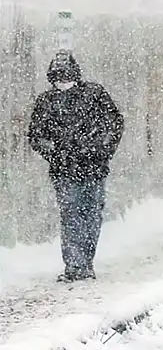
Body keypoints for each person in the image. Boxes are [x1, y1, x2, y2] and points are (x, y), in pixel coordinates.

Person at [27, 51, 124, 282]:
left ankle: (84, 263)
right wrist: (58, 152)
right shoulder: (46, 101)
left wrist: (99, 149)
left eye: (66, 75)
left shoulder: (95, 94)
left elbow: (114, 125)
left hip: (93, 167)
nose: (62, 81)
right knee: (73, 215)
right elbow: (36, 136)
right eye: (58, 77)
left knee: (89, 216)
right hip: (66, 170)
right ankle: (75, 265)